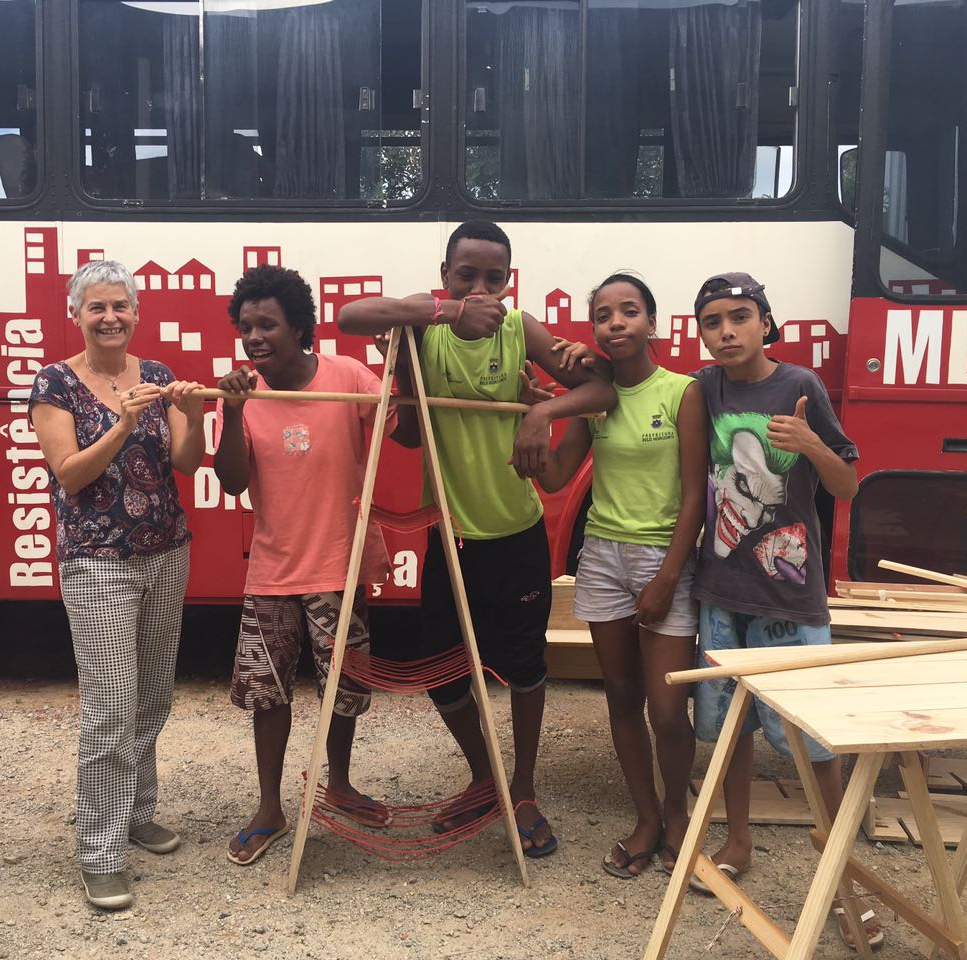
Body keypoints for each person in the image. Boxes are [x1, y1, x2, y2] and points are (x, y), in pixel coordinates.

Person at [337, 220, 616, 856]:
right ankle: (486, 778)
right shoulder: (423, 324)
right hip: (451, 533)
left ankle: (523, 790)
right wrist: (423, 342)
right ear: (446, 276)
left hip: (517, 533)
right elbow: (353, 320)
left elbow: (601, 387)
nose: (481, 288)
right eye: (467, 275)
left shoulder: (520, 329)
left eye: (494, 277)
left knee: (524, 669)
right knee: (441, 675)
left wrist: (542, 410)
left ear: (509, 281)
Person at [687, 272, 882, 950]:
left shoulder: (801, 385)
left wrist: (811, 444)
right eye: (713, 321)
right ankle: (738, 840)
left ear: (767, 323)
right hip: (721, 594)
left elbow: (847, 484)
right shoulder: (705, 389)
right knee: (731, 731)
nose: (727, 332)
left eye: (740, 317)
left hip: (789, 597)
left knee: (815, 742)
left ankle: (846, 875)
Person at [30, 260, 206, 910]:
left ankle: (136, 813)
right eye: (96, 307)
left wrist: (193, 415)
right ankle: (100, 854)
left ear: (136, 313)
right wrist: (124, 424)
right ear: (75, 315)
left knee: (153, 696)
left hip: (167, 553)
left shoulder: (156, 373)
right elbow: (69, 474)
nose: (110, 318)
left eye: (119, 307)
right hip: (97, 561)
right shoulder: (54, 383)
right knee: (109, 709)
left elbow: (186, 462)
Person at [214, 264, 394, 866]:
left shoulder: (348, 376)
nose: (254, 337)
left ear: (298, 328)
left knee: (343, 691)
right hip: (272, 571)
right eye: (246, 327)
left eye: (267, 325)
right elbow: (232, 481)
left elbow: (403, 431)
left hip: (340, 565)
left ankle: (338, 785)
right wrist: (232, 412)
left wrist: (397, 364)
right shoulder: (242, 394)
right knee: (267, 695)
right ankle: (270, 808)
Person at [535, 273, 706, 877]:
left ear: (651, 322)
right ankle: (646, 818)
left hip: (664, 559)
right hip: (603, 559)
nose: (616, 323)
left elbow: (695, 496)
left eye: (629, 311)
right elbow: (556, 477)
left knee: (668, 708)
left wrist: (668, 577)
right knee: (623, 697)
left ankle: (678, 813)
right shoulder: (594, 396)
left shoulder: (682, 392)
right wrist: (530, 420)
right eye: (603, 315)